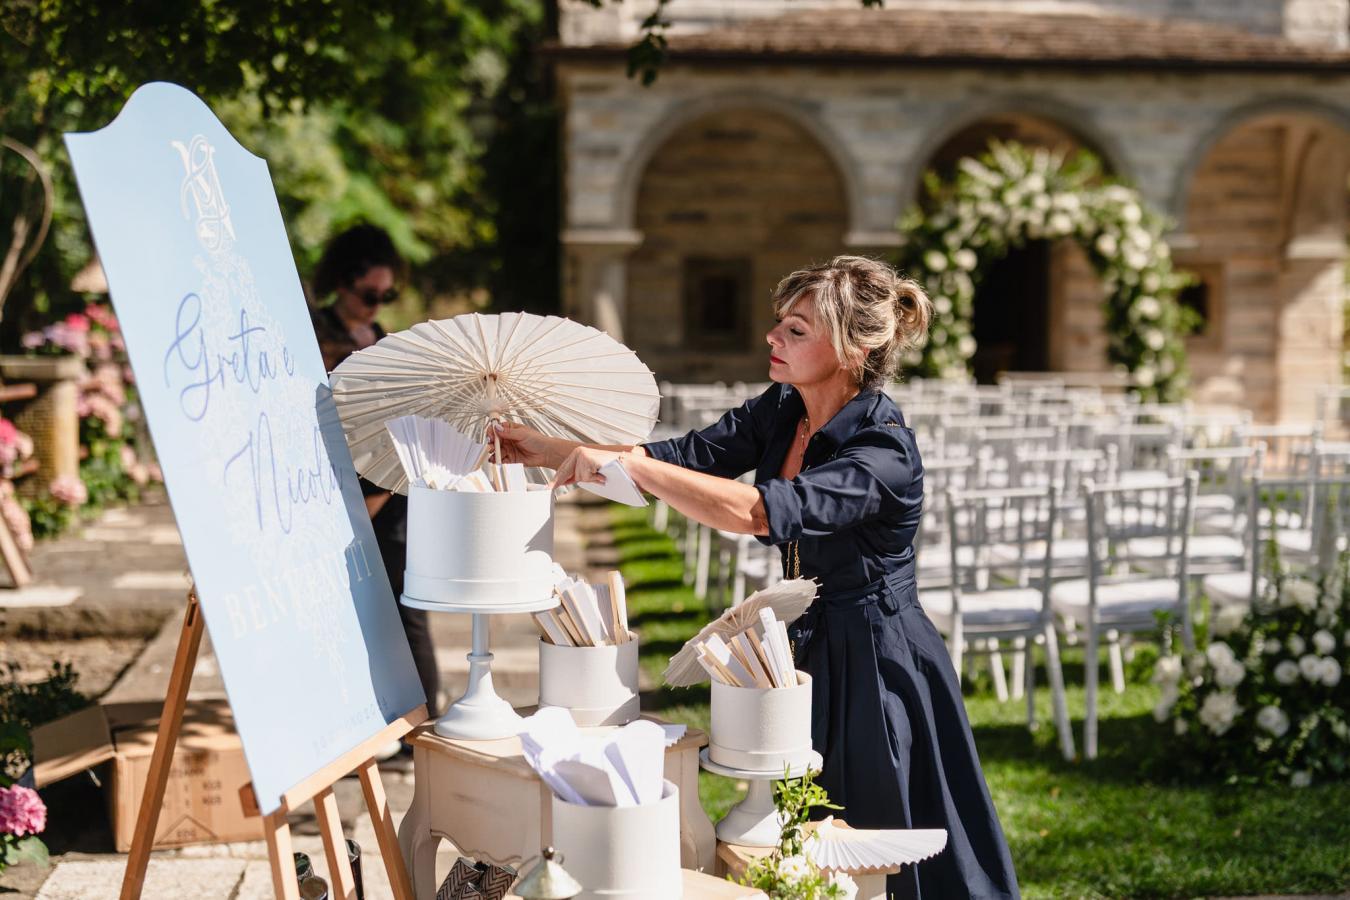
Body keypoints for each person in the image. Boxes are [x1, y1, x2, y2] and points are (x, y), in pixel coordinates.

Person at [492, 256, 1019, 899]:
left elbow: (758, 513)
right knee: (794, 832)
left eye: (797, 331)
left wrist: (623, 464)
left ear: (856, 348)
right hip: (802, 646)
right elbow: (683, 458)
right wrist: (545, 447)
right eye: (779, 324)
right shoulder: (783, 409)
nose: (773, 338)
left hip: (879, 659)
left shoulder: (884, 451)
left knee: (879, 841)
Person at [310, 224, 440, 718]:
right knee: (346, 613)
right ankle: (360, 716)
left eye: (388, 295)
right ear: (342, 282)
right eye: (370, 294)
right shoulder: (314, 335)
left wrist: (383, 488)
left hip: (393, 487)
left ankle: (420, 725)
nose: (377, 305)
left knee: (409, 610)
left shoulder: (384, 340)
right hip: (336, 487)